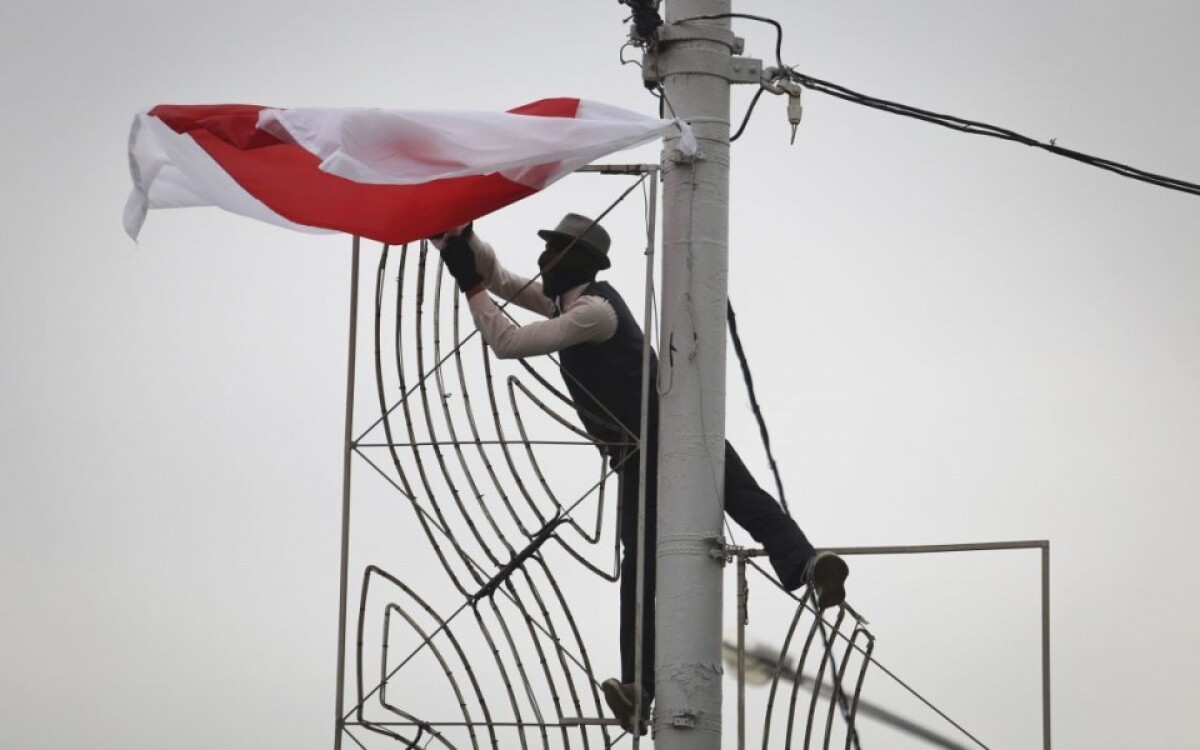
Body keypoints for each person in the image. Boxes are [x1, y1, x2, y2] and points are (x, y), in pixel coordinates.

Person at [433, 214, 848, 735]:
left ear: (577, 262)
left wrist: (470, 286)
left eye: (553, 252)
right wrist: (461, 241)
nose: (543, 262)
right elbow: (506, 280)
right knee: (673, 548)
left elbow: (509, 343)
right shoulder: (572, 302)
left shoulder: (594, 313)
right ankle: (642, 687)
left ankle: (809, 571)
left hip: (664, 443)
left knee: (709, 525)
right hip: (647, 452)